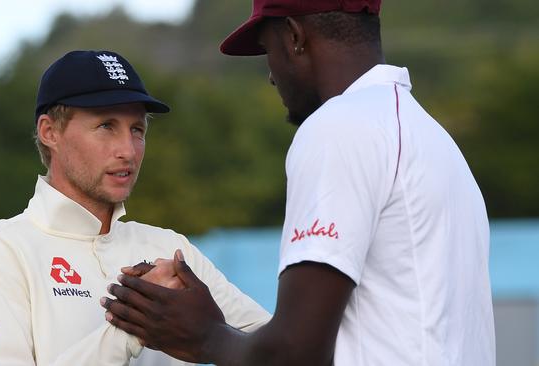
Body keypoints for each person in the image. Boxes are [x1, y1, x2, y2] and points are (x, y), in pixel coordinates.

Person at [103, 1, 496, 365]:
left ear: (294, 36)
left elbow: (295, 353)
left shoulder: (340, 127)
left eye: (267, 50)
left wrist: (207, 336)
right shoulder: (433, 139)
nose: (271, 76)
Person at [0, 50, 271, 366]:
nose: (128, 151)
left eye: (137, 129)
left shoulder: (170, 248)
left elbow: (278, 351)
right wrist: (133, 326)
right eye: (107, 125)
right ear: (49, 131)